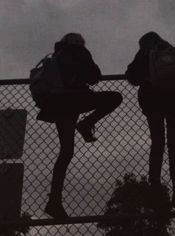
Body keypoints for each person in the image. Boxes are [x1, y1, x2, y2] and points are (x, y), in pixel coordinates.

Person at [36, 33, 123, 218]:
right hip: (75, 99)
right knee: (115, 97)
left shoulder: (55, 56)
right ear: (78, 42)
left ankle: (54, 201)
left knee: (66, 151)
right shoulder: (79, 52)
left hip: (58, 104)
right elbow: (93, 77)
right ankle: (86, 124)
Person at [125, 32, 175, 212]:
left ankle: (155, 192)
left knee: (158, 143)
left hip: (153, 100)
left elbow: (132, 77)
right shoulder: (172, 51)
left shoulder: (145, 54)